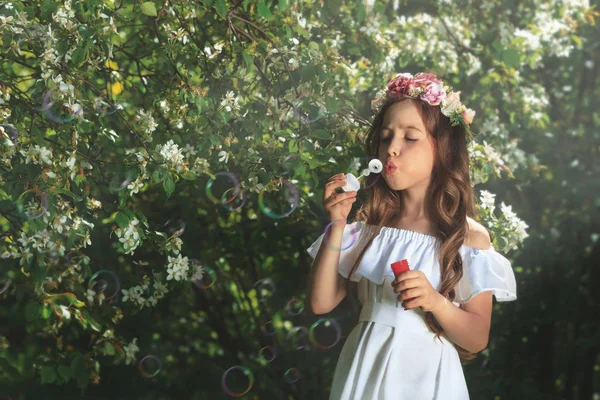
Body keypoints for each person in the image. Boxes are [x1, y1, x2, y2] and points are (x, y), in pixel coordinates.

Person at [306, 72, 517, 399]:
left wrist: (436, 302)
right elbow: (320, 302)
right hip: (365, 368)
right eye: (386, 136)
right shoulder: (367, 229)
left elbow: (477, 337)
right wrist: (336, 221)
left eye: (410, 137)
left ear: (443, 149)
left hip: (426, 377)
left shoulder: (467, 237)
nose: (392, 148)